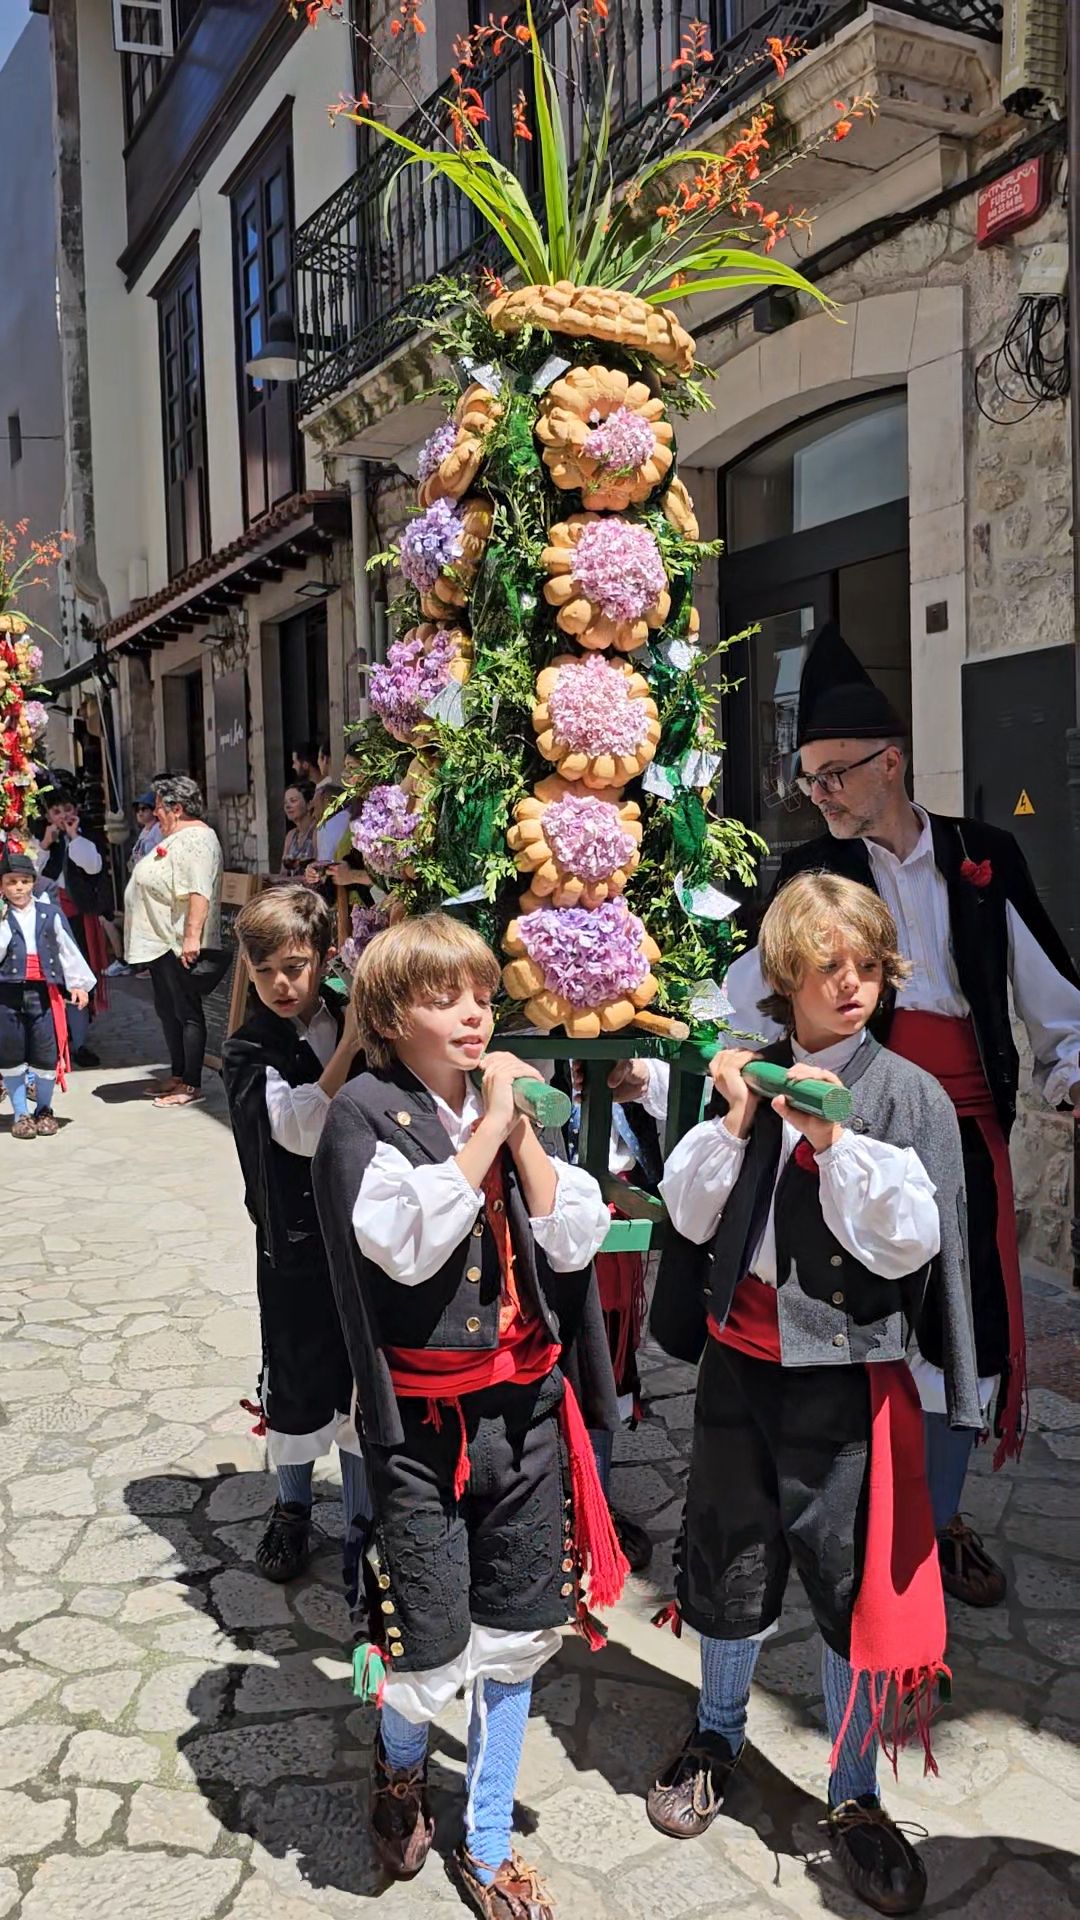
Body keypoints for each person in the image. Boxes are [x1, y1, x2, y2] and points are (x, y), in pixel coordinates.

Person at [717, 624, 1080, 1606]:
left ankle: (941, 1518)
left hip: (966, 1129)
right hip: (857, 1122)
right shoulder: (807, 875)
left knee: (973, 1328)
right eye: (809, 780)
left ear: (892, 762)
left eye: (834, 775)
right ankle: (862, 1510)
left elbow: (1052, 999)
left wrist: (1070, 1071)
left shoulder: (983, 856)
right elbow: (739, 995)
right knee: (870, 1322)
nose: (820, 795)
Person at [647, 873, 980, 1918]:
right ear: (785, 981)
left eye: (868, 966)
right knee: (729, 1563)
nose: (852, 985)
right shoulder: (753, 1079)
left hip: (844, 1390)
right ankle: (717, 1729)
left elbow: (912, 1238)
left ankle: (854, 1793)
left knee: (847, 1593)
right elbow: (695, 1219)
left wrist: (834, 1141)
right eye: (827, 967)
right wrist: (743, 1115)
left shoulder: (906, 1095)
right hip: (742, 1375)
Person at [313, 913, 622, 1916]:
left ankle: (487, 1839)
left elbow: (574, 1238)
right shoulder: (362, 1113)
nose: (477, 1013)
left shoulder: (509, 1111)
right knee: (429, 1645)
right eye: (449, 996)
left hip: (525, 1416)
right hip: (422, 1434)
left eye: (484, 994)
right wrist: (490, 1125)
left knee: (519, 1631)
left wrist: (521, 1132)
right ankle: (401, 1765)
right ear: (394, 1015)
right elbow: (404, 1246)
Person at [223, 886, 371, 1591]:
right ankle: (292, 1506)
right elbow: (300, 1128)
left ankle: (366, 1517)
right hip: (291, 1245)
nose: (282, 984)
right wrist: (347, 1049)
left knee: (359, 1380)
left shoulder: (351, 1013)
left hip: (361, 1237)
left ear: (323, 958)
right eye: (265, 972)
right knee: (294, 1375)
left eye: (295, 965)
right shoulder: (250, 1049)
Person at [124, 775, 224, 1109]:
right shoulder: (178, 837)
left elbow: (198, 890)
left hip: (179, 941)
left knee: (187, 1012)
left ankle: (191, 1084)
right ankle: (179, 1073)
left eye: (159, 810)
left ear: (177, 809)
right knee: (168, 1010)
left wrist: (191, 938)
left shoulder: (197, 838)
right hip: (161, 941)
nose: (155, 816)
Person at [0, 845, 95, 1137]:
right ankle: (20, 1114)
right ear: (2, 885)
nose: (19, 888)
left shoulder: (49, 913)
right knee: (11, 1053)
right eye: (11, 882)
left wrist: (77, 984)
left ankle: (43, 1109)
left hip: (43, 993)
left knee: (45, 1052)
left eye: (24, 881)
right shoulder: (1, 915)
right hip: (6, 994)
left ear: (33, 882)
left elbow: (66, 949)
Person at [37, 792, 110, 1065]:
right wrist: (46, 842)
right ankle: (56, 1041)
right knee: (52, 978)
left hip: (77, 917)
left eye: (67, 809)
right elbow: (31, 874)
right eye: (56, 811)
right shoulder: (41, 843)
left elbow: (93, 866)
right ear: (47, 817)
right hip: (47, 919)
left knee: (78, 977)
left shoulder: (85, 840)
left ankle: (79, 1044)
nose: (63, 815)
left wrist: (74, 837)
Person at [280, 781, 318, 877]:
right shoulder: (291, 835)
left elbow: (319, 872)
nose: (287, 806)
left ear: (309, 804)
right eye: (285, 803)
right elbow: (283, 874)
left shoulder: (317, 831)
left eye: (293, 801)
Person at [129, 791, 162, 867]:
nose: (140, 812)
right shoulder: (145, 831)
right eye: (137, 809)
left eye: (144, 809)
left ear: (154, 810)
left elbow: (162, 855)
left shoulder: (159, 829)